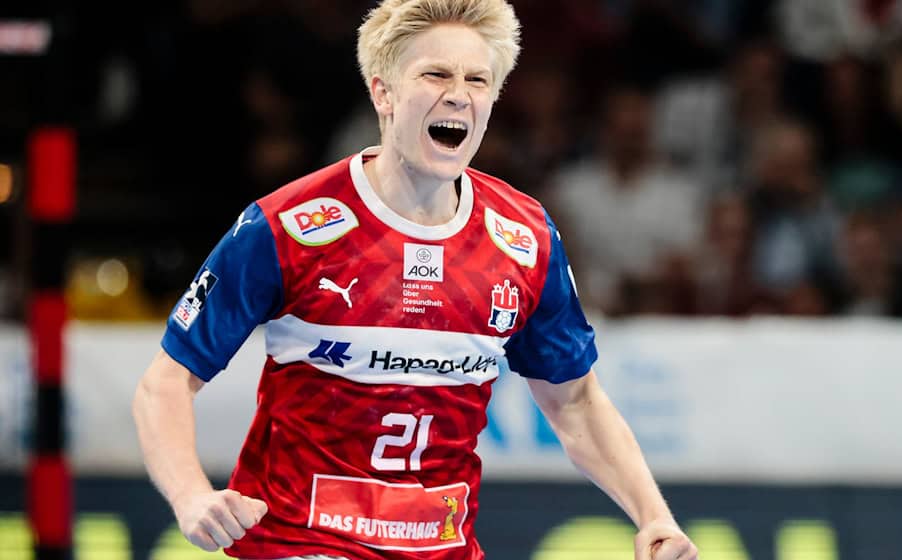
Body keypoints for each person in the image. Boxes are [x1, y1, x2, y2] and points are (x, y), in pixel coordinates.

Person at [131, 1, 698, 559]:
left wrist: (655, 517)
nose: (459, 93)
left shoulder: (524, 238)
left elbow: (574, 401)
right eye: (436, 74)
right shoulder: (286, 227)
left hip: (442, 545)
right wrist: (190, 497)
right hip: (299, 541)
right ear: (383, 92)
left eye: (478, 79)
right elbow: (166, 382)